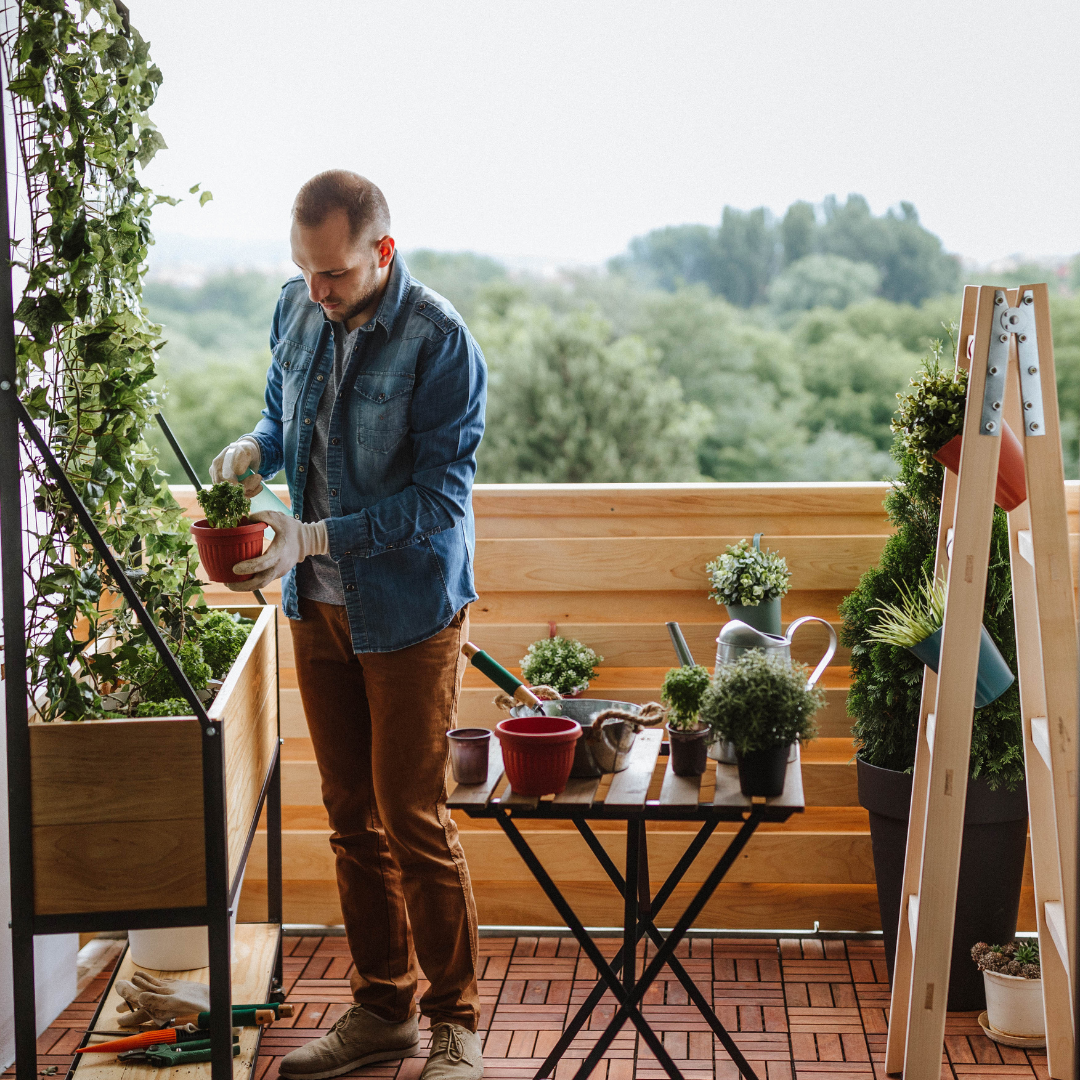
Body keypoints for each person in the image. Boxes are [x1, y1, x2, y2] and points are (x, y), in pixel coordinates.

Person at [210, 170, 487, 1080]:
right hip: (314, 606)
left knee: (413, 815)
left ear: (383, 251)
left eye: (334, 275)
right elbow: (287, 421)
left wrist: (317, 533)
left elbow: (441, 501)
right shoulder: (298, 307)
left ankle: (456, 1022)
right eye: (305, 270)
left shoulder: (441, 342)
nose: (318, 292)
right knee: (348, 816)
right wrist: (256, 447)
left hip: (408, 612)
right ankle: (382, 1010)